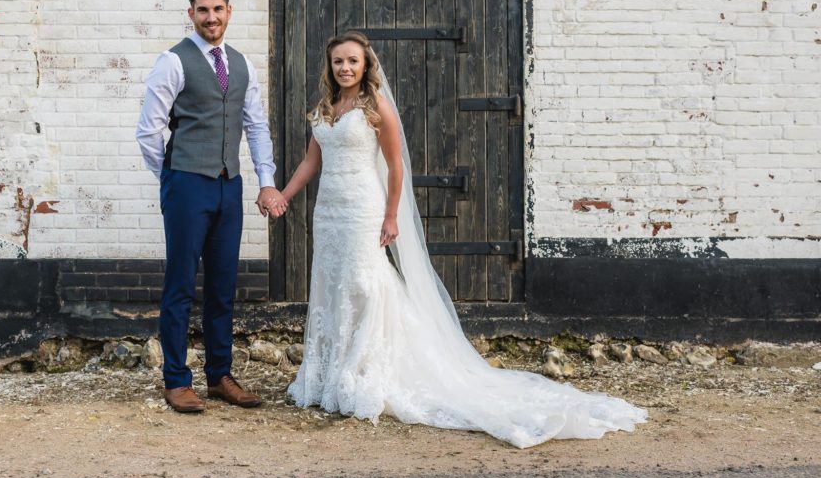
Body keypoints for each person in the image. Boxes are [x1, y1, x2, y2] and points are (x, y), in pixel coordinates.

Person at [278, 31, 648, 448]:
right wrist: (284, 197)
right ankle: (330, 372)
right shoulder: (326, 109)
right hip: (329, 212)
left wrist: (391, 215)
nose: (345, 68)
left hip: (363, 207)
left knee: (366, 284)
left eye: (352, 61)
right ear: (330, 67)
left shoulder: (375, 106)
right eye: (338, 62)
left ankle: (364, 372)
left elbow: (397, 166)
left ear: (366, 66)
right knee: (333, 285)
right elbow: (312, 160)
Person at [136, 0, 288, 413]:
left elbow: (256, 126)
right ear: (191, 14)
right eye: (202, 10)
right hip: (187, 183)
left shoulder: (241, 64)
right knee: (180, 285)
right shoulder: (172, 61)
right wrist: (169, 176)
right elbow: (149, 130)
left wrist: (266, 179)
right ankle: (176, 380)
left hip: (229, 186)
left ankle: (220, 375)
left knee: (223, 286)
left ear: (229, 11)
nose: (211, 17)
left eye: (218, 9)